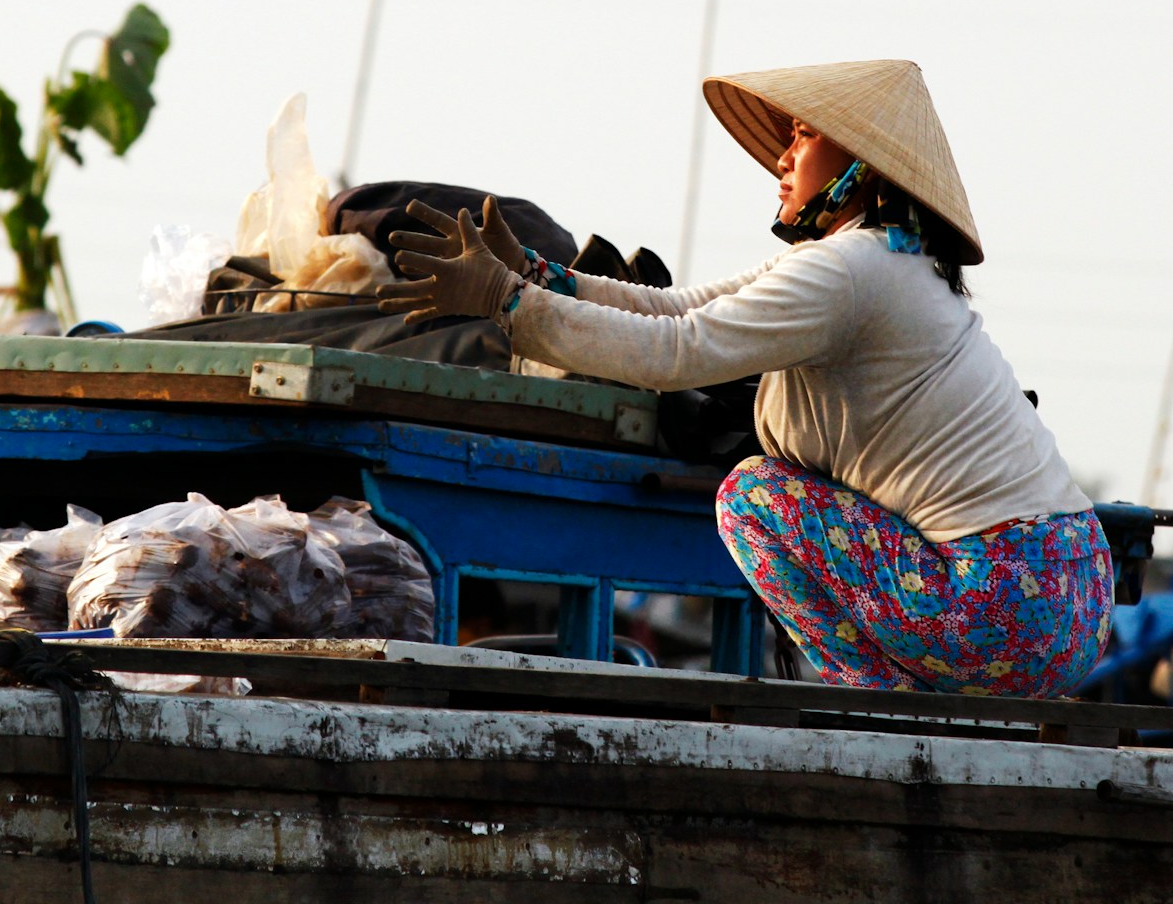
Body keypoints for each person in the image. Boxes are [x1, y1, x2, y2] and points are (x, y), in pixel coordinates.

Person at [376, 59, 1111, 696]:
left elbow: (676, 351)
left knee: (753, 496)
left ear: (860, 163)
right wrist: (539, 278)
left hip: (1002, 605)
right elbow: (677, 306)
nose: (783, 160)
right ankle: (906, 702)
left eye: (804, 137)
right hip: (1068, 592)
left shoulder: (850, 271)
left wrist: (506, 303)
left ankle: (888, 706)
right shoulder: (882, 257)